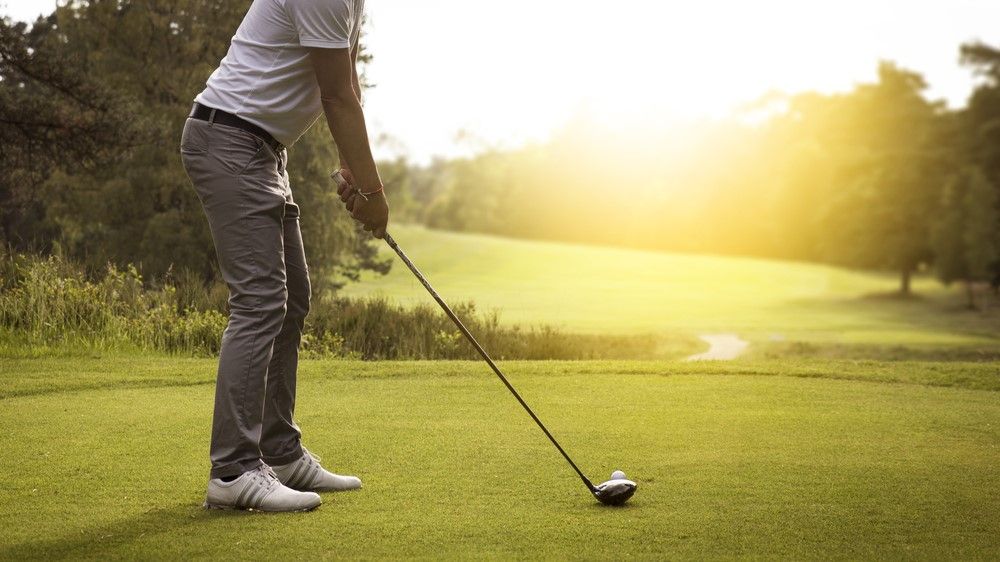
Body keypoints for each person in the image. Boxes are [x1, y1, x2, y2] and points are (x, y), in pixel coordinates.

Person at [180, 0, 387, 512]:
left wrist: (349, 167)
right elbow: (336, 96)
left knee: (291, 300)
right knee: (259, 303)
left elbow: (344, 84)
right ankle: (232, 472)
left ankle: (280, 452)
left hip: (262, 148)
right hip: (229, 140)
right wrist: (374, 191)